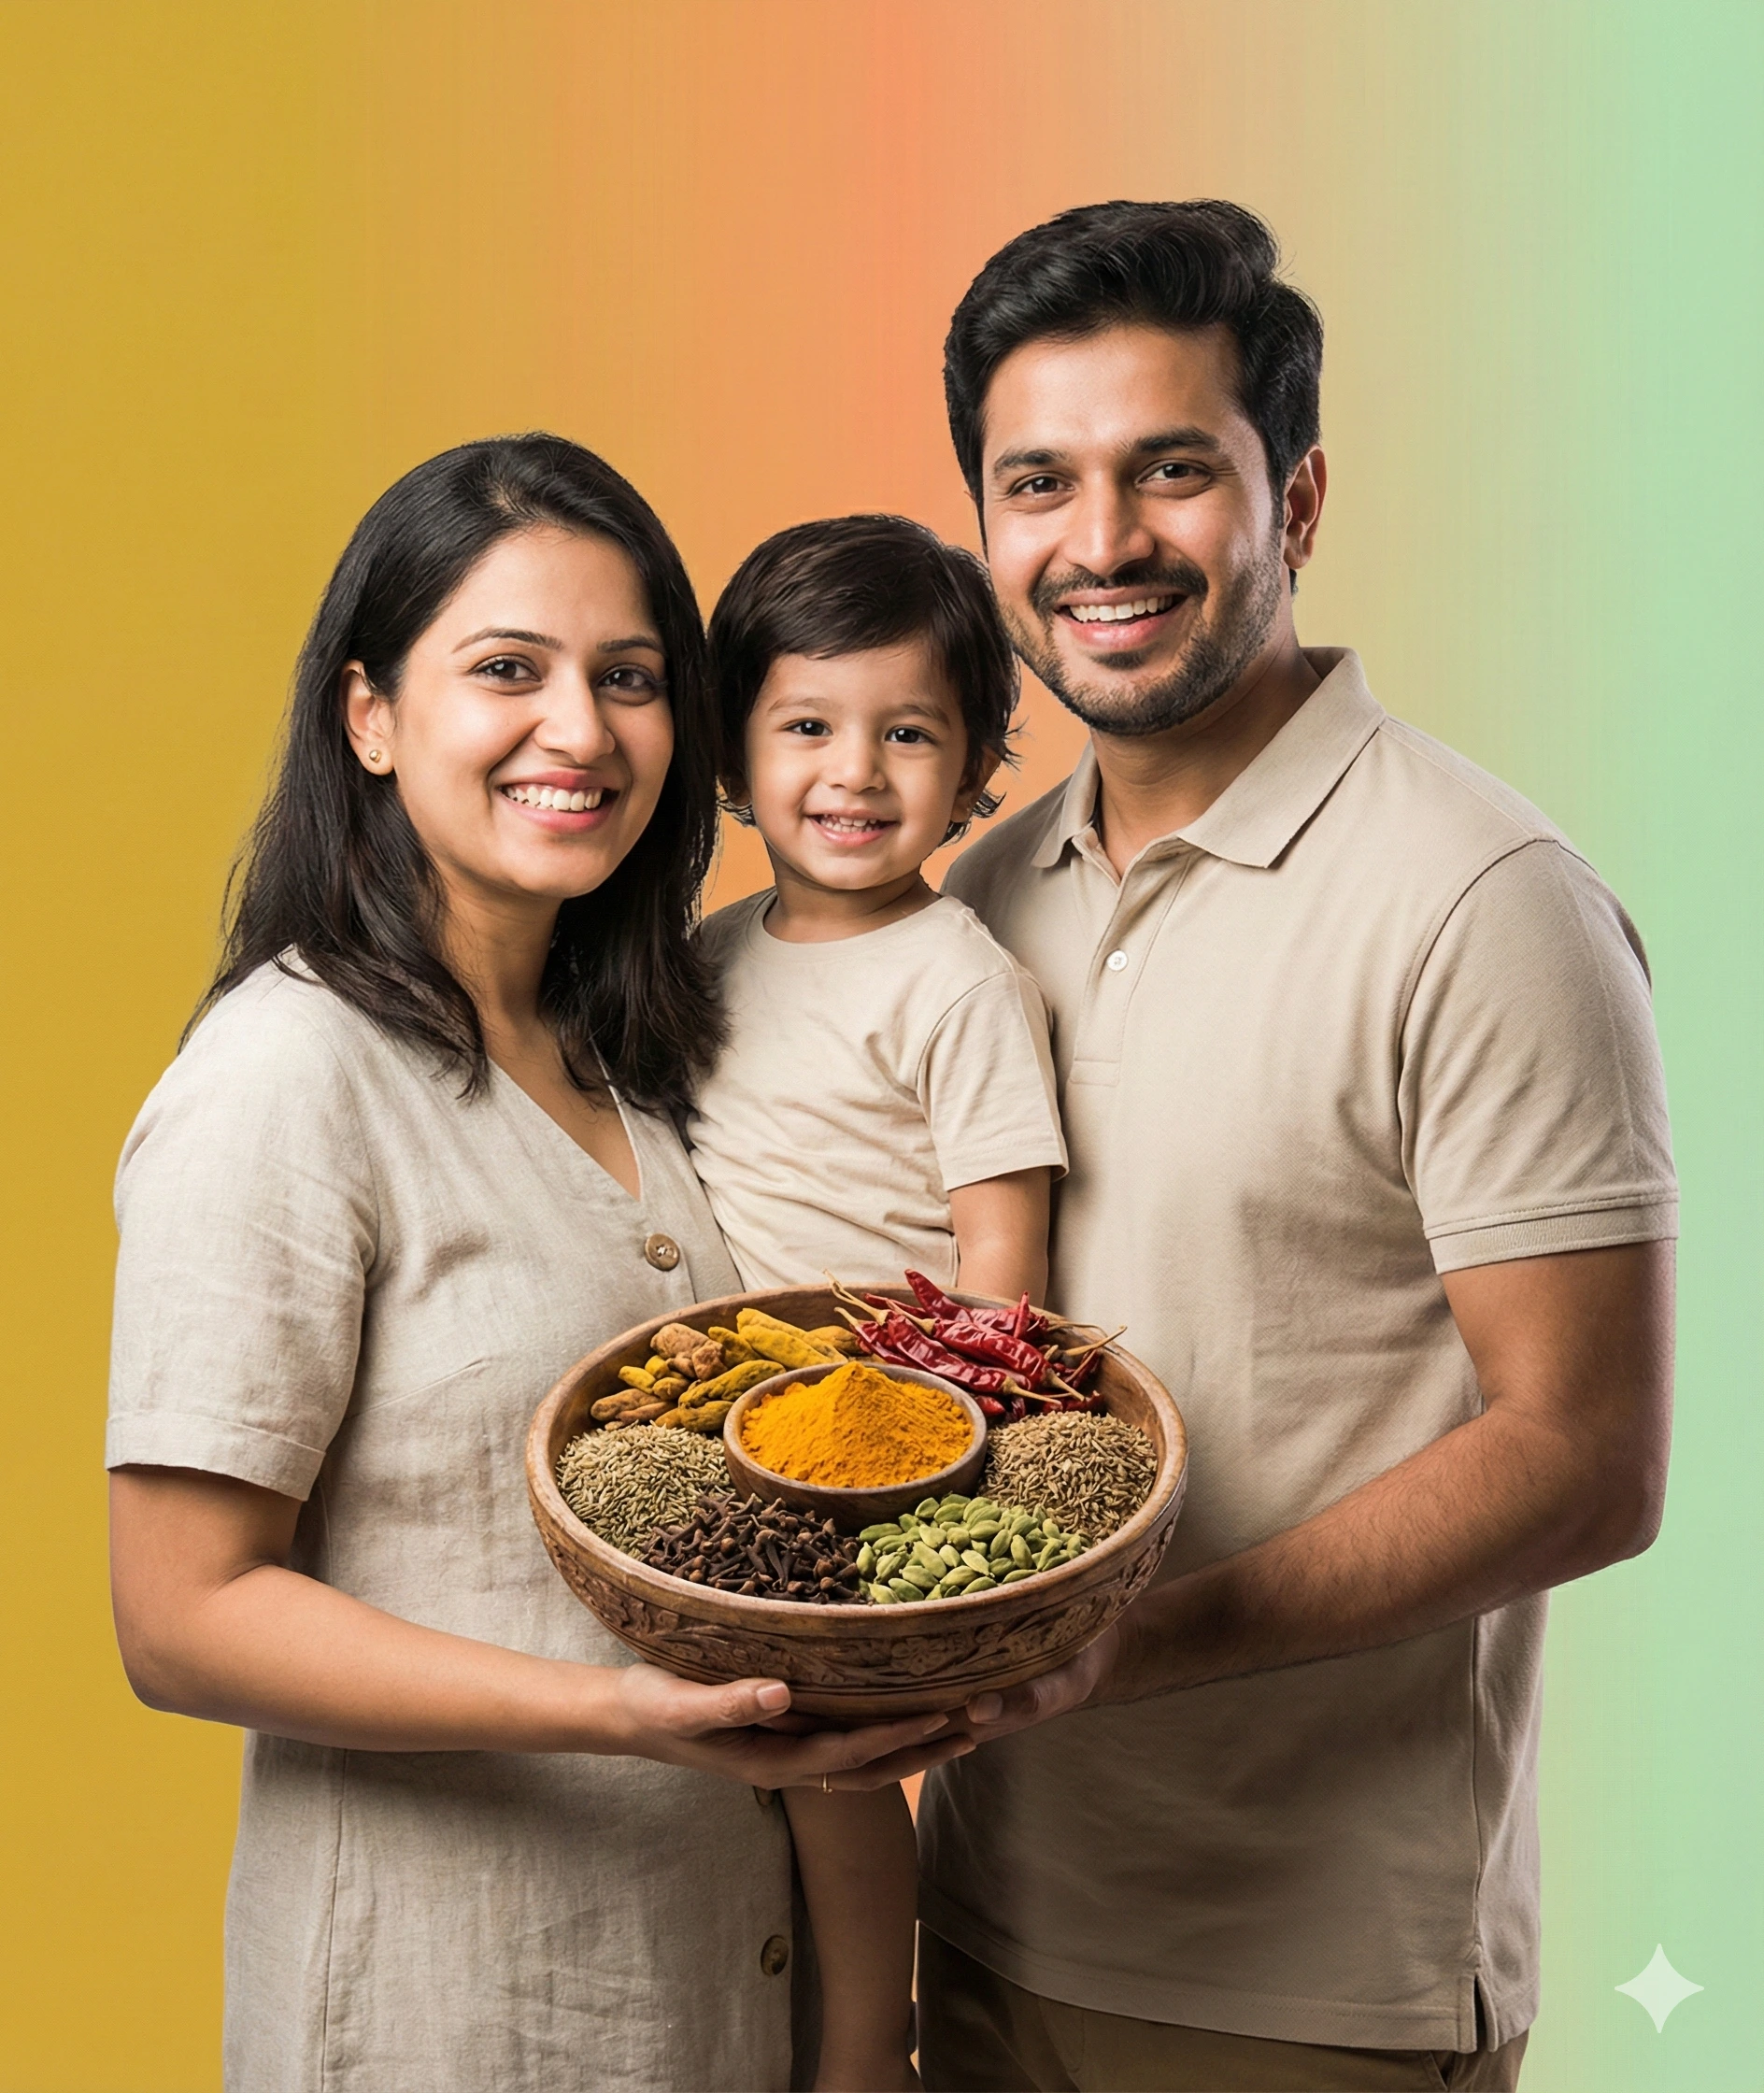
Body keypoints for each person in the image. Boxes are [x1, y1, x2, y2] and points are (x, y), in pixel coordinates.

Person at [914, 203, 1677, 2092]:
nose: (1098, 542)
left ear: (1297, 500)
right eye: (1038, 482)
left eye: (1170, 470)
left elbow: (1585, 1461)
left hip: (1308, 1987)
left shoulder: (1477, 898)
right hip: (973, 1910)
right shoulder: (975, 900)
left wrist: (1117, 1647)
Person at [105, 434, 973, 2093]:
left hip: (712, 1999)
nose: (578, 731)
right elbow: (179, 1618)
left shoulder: (639, 1060)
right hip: (451, 2015)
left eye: (629, 677)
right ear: (369, 714)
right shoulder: (286, 1081)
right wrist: (627, 1710)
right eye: (508, 668)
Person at [687, 512, 1069, 2090]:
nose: (854, 772)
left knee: (829, 1767)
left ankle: (865, 2057)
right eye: (806, 728)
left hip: (884, 1425)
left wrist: (952, 1426)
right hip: (724, 1424)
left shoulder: (959, 980)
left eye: (908, 732)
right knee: (737, 1765)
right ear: (731, 758)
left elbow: (1005, 1246)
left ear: (980, 765)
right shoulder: (704, 956)